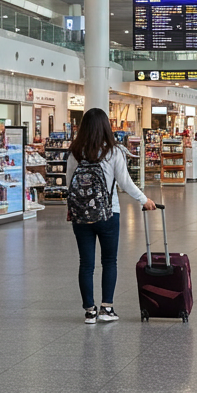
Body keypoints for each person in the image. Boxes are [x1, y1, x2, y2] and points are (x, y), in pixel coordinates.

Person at [68, 107, 158, 324]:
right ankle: (106, 308)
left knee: (85, 263)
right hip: (109, 213)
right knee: (109, 261)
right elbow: (125, 182)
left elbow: (70, 181)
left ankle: (89, 311)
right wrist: (144, 199)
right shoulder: (113, 151)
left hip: (81, 215)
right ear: (106, 126)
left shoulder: (75, 151)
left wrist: (72, 209)